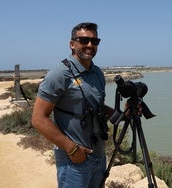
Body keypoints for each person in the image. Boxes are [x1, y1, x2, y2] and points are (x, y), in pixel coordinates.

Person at [32, 22, 114, 188]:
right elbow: (38, 118)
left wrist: (120, 114)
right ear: (72, 44)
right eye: (84, 40)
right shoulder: (60, 74)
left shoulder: (97, 73)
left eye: (94, 41)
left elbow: (96, 107)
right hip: (74, 160)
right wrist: (71, 148)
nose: (90, 45)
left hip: (99, 155)